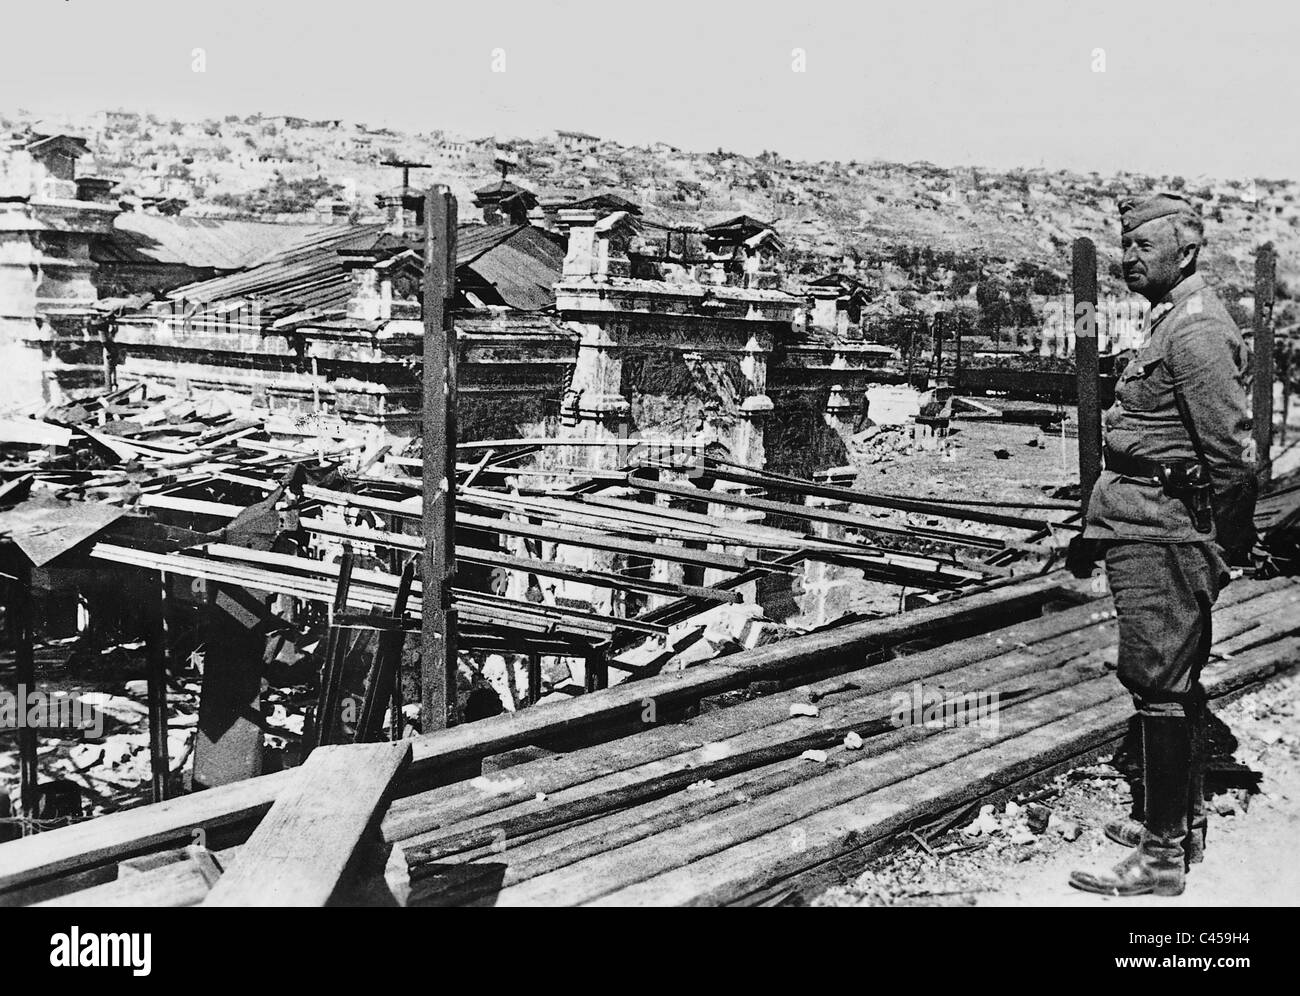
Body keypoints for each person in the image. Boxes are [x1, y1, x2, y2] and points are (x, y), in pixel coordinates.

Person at [1068, 192, 1257, 897]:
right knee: (1171, 678)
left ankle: (1161, 855)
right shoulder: (1171, 320)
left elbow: (1233, 460)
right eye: (1126, 245)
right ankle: (1184, 819)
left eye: (1143, 246)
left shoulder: (1198, 331)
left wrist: (1226, 544)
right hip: (1143, 523)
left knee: (1158, 686)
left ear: (1187, 252)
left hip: (1165, 529)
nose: (1128, 258)